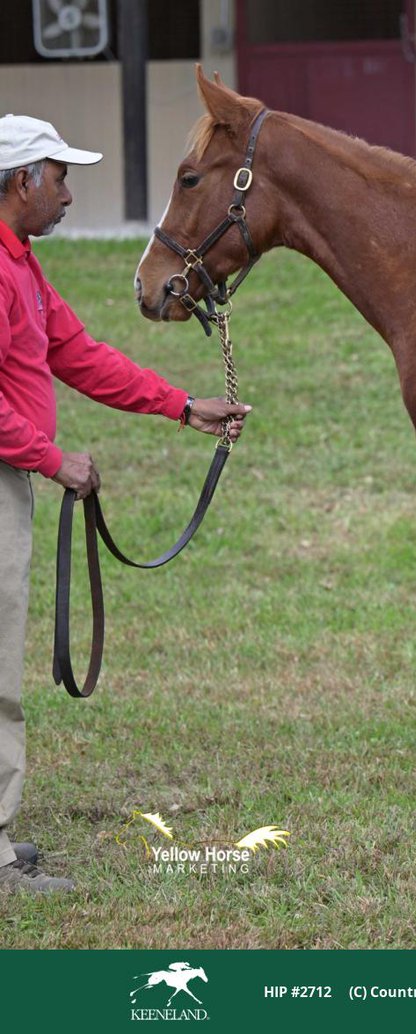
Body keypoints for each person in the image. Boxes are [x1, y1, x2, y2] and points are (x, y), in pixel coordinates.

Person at [0, 114, 251, 893]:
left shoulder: (21, 267)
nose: (70, 194)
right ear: (21, 183)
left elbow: (78, 355)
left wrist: (182, 405)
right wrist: (50, 457)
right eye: (60, 177)